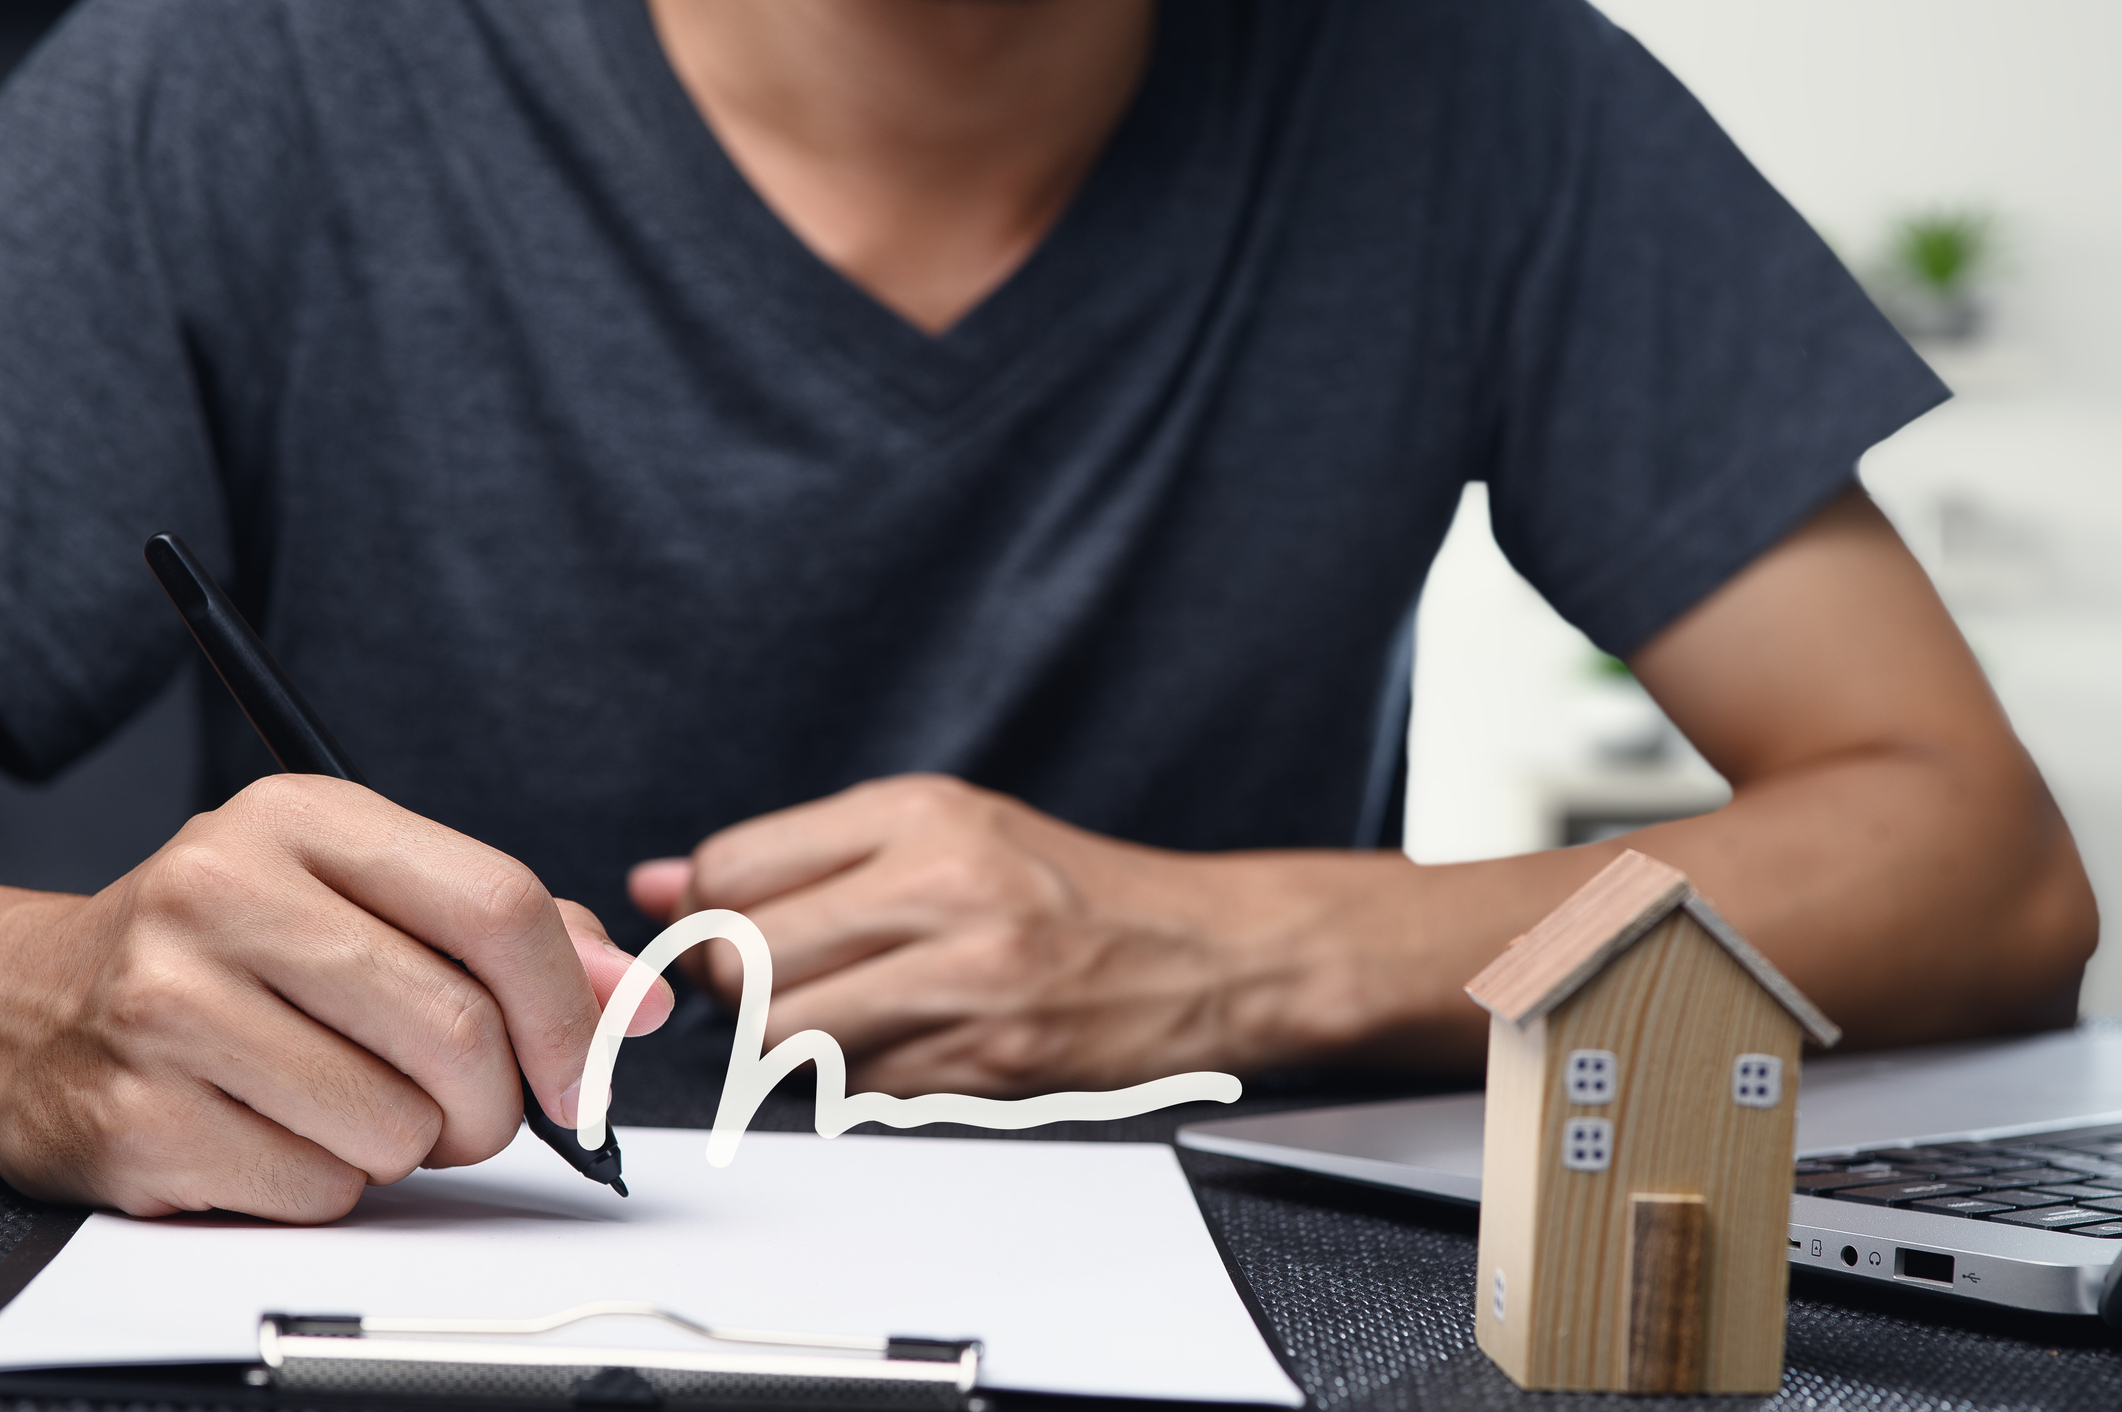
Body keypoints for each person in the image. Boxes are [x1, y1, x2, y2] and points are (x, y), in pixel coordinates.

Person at [0, 0, 2096, 1224]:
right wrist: (47, 1010)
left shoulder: (1478, 84)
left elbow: (1974, 865)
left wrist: (1219, 950)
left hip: (1262, 1296)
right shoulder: (233, 73)